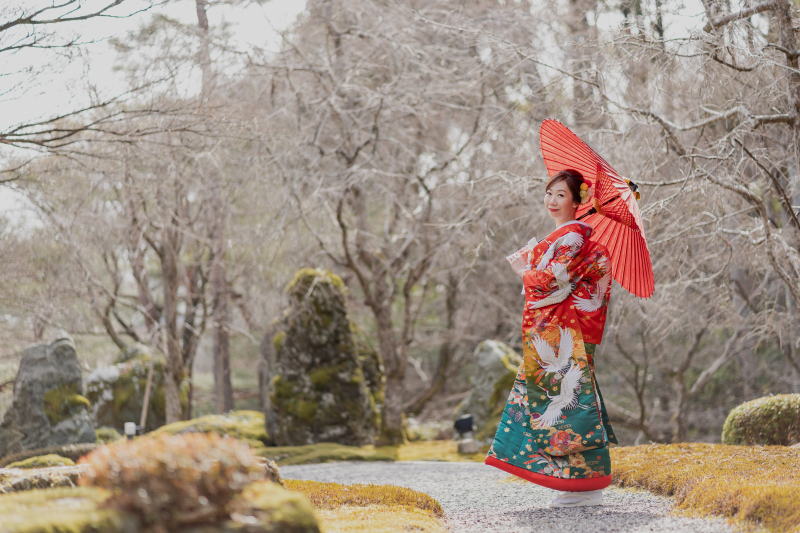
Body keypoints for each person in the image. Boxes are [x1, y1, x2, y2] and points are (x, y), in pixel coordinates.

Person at [484, 169, 617, 508]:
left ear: (577, 201)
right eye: (549, 193)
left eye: (561, 195)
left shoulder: (571, 237)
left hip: (563, 332)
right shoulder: (568, 236)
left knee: (569, 407)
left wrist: (523, 271)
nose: (552, 200)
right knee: (566, 404)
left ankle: (584, 487)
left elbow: (555, 281)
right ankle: (579, 484)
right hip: (566, 330)